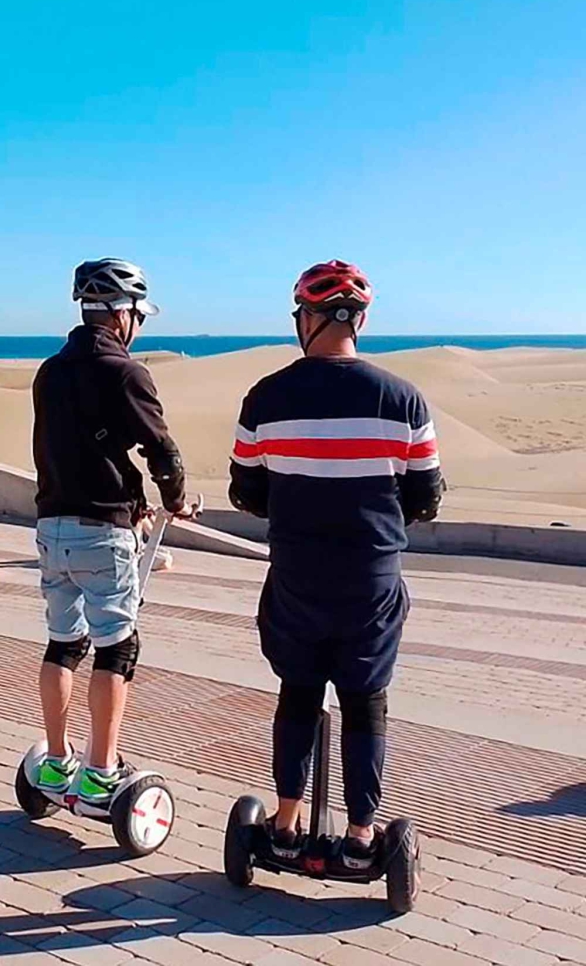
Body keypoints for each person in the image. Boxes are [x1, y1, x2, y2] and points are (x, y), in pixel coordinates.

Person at [230, 260, 443, 870]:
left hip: (296, 575)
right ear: (359, 321)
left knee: (297, 694)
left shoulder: (266, 396)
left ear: (308, 319)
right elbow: (426, 497)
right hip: (370, 579)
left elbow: (246, 491)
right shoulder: (403, 399)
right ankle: (359, 837)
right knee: (364, 701)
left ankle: (285, 826)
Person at [31, 259, 191, 809]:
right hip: (102, 531)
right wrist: (176, 500)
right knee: (118, 648)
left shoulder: (50, 371)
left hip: (50, 526)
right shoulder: (126, 373)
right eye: (139, 316)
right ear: (123, 314)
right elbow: (162, 452)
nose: (138, 326)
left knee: (64, 642)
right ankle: (100, 774)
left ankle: (56, 762)